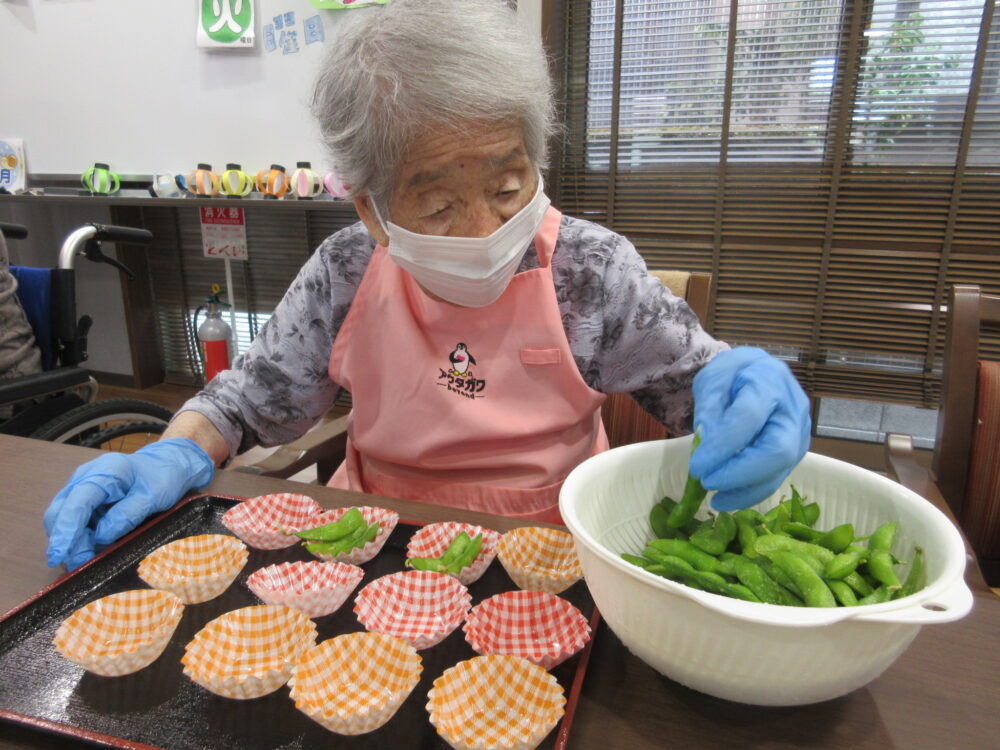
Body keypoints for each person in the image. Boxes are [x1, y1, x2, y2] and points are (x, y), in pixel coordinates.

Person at [43, 0, 810, 570]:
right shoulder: (345, 271)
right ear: (372, 212)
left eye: (509, 187)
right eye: (439, 204)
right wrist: (169, 454)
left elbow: (693, 390)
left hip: (546, 552)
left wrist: (737, 392)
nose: (483, 230)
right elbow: (248, 403)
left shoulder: (591, 271)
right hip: (373, 538)